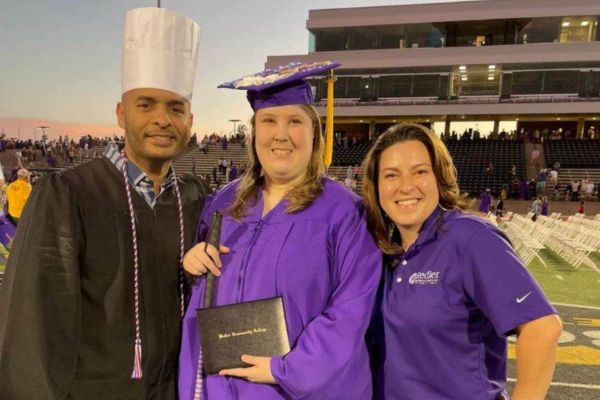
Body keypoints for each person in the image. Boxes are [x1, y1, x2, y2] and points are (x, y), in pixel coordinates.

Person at [0, 8, 209, 399]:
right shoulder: (69, 195)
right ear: (120, 112)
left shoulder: (194, 199)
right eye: (145, 104)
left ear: (191, 120)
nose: (162, 119)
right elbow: (32, 329)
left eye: (175, 107)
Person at [178, 61, 381, 399]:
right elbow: (201, 298)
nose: (281, 135)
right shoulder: (223, 204)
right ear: (254, 132)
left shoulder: (345, 213)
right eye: (269, 121)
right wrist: (192, 264)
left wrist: (284, 369)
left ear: (314, 132)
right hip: (222, 388)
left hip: (295, 389)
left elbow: (350, 314)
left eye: (295, 121)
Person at [361, 124, 561, 400]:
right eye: (391, 175)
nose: (405, 186)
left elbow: (542, 327)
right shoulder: (380, 249)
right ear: (377, 186)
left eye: (420, 171)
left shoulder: (471, 238)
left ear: (440, 176)